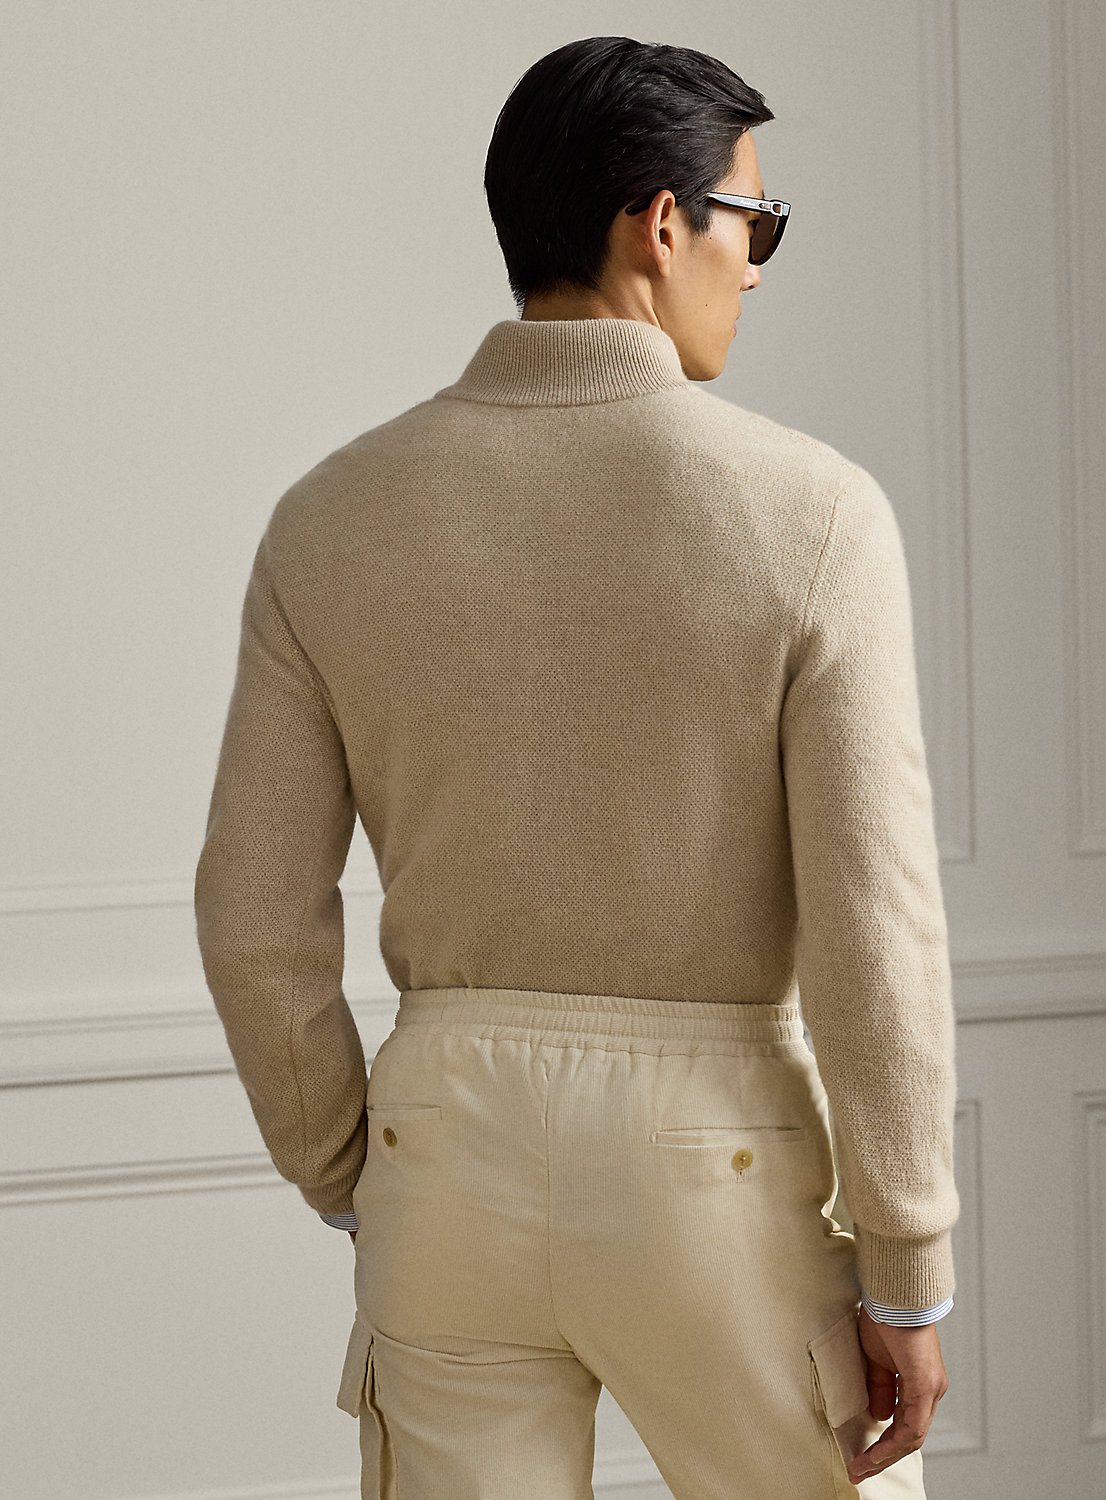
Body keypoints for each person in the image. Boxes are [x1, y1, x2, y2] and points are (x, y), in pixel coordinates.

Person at [194, 34, 958, 1500]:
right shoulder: (812, 514)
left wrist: (357, 1167)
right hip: (722, 1172)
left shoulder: (331, 517)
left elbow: (250, 914)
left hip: (445, 1160)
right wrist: (907, 1262)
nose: (757, 267)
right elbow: (877, 924)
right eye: (755, 224)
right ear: (661, 223)